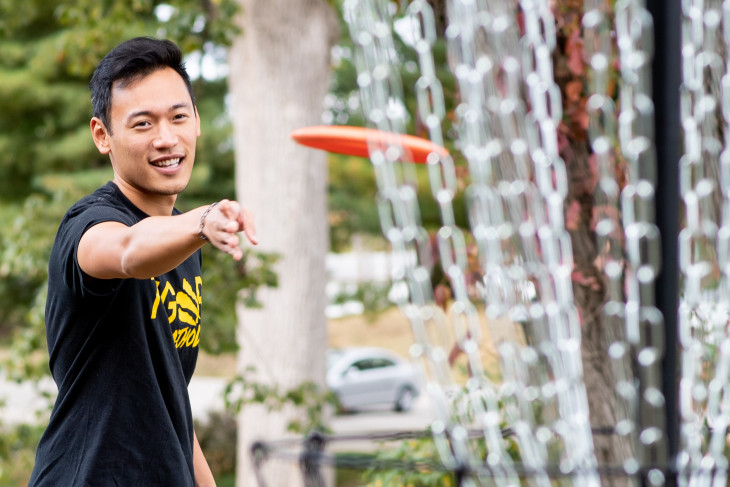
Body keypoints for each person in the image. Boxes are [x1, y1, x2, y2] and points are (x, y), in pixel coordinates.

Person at [28, 37, 257, 486]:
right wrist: (204, 219)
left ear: (197, 124)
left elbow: (170, 403)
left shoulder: (183, 243)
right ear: (102, 136)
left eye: (178, 117)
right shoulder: (88, 224)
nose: (166, 138)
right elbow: (128, 250)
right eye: (142, 124)